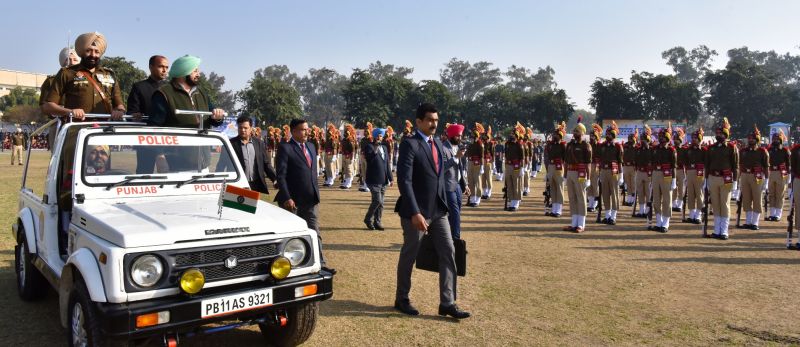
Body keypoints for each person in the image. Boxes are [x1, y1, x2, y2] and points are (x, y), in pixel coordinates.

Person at [394, 103, 469, 319]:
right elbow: (405, 181)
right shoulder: (410, 144)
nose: (433, 124)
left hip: (438, 211)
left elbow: (441, 174)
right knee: (410, 253)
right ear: (419, 122)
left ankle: (448, 302)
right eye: (429, 120)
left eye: (436, 120)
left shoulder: (437, 143)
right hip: (415, 212)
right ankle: (402, 298)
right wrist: (415, 212)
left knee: (448, 251)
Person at [275, 119, 334, 273]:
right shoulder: (285, 148)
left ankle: (320, 263)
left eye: (307, 129)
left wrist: (316, 193)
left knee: (315, 232)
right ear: (293, 131)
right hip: (292, 201)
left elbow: (312, 173)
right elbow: (281, 176)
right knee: (290, 236)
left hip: (310, 199)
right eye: (303, 129)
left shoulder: (311, 146)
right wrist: (287, 197)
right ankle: (290, 267)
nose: (307, 132)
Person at [149, 55, 224, 129]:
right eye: (195, 71)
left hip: (203, 140)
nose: (198, 74)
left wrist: (217, 117)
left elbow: (214, 120)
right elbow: (155, 126)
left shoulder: (201, 92)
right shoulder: (164, 93)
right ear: (183, 72)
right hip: (178, 140)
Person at [217, 116, 276, 194]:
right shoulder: (229, 144)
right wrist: (217, 183)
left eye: (245, 128)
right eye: (240, 128)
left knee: (254, 206)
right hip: (237, 185)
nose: (242, 130)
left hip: (256, 185)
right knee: (236, 206)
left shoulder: (259, 143)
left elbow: (266, 164)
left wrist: (275, 179)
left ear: (251, 128)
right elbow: (221, 165)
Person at [41, 46, 80, 152]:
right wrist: (61, 110)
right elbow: (44, 105)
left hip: (82, 122)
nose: (71, 62)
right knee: (59, 159)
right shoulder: (51, 81)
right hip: (59, 124)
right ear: (62, 62)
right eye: (67, 59)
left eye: (75, 59)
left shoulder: (87, 79)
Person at [705, 117, 739, 240]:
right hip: (713, 177)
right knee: (715, 204)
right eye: (717, 133)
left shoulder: (731, 148)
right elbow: (707, 165)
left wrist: (735, 182)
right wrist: (706, 180)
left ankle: (724, 231)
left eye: (720, 133)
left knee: (724, 204)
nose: (718, 135)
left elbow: (735, 166)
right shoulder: (711, 148)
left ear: (726, 134)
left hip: (726, 178)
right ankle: (716, 230)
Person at [564, 117, 592, 232]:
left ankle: (581, 224)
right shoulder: (569, 145)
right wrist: (565, 176)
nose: (575, 133)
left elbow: (588, 164)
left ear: (582, 133)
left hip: (580, 173)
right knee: (572, 198)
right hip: (570, 172)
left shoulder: (586, 146)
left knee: (580, 198)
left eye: (577, 131)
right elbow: (566, 162)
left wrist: (588, 178)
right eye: (574, 131)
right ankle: (574, 222)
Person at [738, 126, 769, 230]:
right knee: (746, 199)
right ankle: (748, 221)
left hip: (757, 176)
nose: (750, 140)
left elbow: (766, 166)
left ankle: (755, 222)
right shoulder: (743, 151)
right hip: (745, 175)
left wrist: (767, 181)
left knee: (757, 199)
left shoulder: (762, 151)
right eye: (749, 138)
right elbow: (740, 165)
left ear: (757, 140)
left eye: (753, 138)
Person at [363, 127, 393, 230]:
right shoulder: (369, 147)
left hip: (383, 180)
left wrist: (391, 178)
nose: (381, 137)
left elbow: (387, 164)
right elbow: (370, 159)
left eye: (382, 135)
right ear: (375, 136)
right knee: (377, 201)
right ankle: (368, 219)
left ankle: (377, 222)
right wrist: (375, 148)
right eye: (379, 135)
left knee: (381, 203)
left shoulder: (384, 147)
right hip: (373, 179)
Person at [649, 125, 677, 233]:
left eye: (663, 136)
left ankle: (666, 223)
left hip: (667, 175)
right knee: (656, 199)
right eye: (660, 136)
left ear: (668, 138)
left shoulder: (671, 150)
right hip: (656, 174)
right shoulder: (654, 149)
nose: (661, 138)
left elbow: (674, 166)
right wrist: (651, 178)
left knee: (667, 200)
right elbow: (651, 164)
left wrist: (674, 180)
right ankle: (658, 222)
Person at [443, 123, 468, 236]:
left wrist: (465, 184)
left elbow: (460, 169)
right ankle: (456, 240)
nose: (460, 138)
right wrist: (456, 157)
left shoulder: (458, 147)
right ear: (452, 135)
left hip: (458, 186)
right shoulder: (443, 148)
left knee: (456, 213)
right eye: (458, 135)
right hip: (448, 185)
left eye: (461, 135)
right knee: (454, 213)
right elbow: (441, 168)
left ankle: (449, 237)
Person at [128, 55, 169, 120]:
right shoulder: (139, 87)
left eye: (167, 67)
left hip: (168, 128)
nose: (164, 70)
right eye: (161, 66)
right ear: (151, 67)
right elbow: (132, 112)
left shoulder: (170, 87)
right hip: (146, 128)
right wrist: (135, 115)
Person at [599, 121, 623, 225]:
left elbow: (620, 162)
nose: (607, 135)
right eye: (607, 134)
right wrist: (600, 173)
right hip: (604, 171)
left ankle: (613, 216)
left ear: (613, 135)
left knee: (614, 194)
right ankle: (607, 215)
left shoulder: (618, 147)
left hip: (614, 172)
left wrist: (621, 175)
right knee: (605, 194)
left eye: (609, 134)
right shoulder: (602, 145)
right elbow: (600, 160)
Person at [684, 128, 707, 224]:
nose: (693, 140)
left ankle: (698, 215)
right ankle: (691, 214)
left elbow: (706, 163)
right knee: (691, 194)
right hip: (690, 172)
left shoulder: (704, 150)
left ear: (700, 139)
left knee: (699, 194)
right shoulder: (688, 149)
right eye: (692, 138)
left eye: (696, 138)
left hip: (700, 173)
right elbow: (685, 162)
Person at [767, 130, 790, 221]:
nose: (775, 140)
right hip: (771, 172)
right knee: (772, 194)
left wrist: (788, 176)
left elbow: (789, 164)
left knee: (780, 194)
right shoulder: (769, 150)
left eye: (777, 139)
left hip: (781, 173)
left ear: (780, 140)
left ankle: (778, 214)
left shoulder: (785, 150)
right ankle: (772, 213)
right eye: (774, 139)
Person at [545, 123, 567, 217]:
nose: (555, 136)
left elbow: (566, 159)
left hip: (559, 167)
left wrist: (565, 173)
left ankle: (558, 210)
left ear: (561, 136)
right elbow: (546, 157)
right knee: (552, 189)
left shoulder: (563, 145)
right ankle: (554, 209)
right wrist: (547, 171)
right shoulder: (549, 144)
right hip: (551, 166)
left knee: (559, 188)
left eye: (557, 134)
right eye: (554, 134)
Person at [633, 126, 654, 218]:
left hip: (648, 173)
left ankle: (648, 211)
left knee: (648, 192)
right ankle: (641, 211)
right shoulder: (638, 149)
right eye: (641, 139)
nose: (642, 141)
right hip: (639, 172)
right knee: (640, 192)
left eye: (644, 139)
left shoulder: (652, 149)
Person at [505, 125, 525, 212]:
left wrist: (522, 168)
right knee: (509, 184)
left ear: (516, 136)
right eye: (511, 134)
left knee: (516, 184)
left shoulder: (519, 145)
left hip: (516, 166)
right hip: (509, 165)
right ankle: (511, 201)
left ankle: (515, 203)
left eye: (513, 134)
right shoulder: (507, 144)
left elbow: (522, 158)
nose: (511, 135)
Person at [465, 123, 484, 207]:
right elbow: (467, 154)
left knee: (477, 181)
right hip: (470, 162)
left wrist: (482, 166)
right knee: (470, 181)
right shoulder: (470, 144)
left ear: (477, 137)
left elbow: (482, 156)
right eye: (471, 137)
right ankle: (472, 198)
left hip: (477, 163)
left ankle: (478, 198)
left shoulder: (480, 144)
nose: (471, 138)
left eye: (473, 137)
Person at [586, 124, 602, 212]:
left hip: (596, 166)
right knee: (590, 185)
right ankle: (590, 203)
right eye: (591, 136)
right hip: (589, 166)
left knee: (595, 185)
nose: (591, 137)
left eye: (593, 136)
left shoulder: (599, 146)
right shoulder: (588, 145)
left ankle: (595, 204)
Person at [673, 128, 688, 212]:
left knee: (681, 188)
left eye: (678, 139)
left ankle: (680, 204)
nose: (677, 141)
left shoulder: (684, 149)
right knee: (673, 187)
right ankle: (674, 203)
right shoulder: (672, 149)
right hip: (674, 170)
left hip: (681, 170)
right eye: (675, 139)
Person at [622, 132, 638, 206]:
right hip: (626, 166)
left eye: (632, 138)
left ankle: (633, 199)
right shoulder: (625, 146)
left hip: (633, 167)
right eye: (629, 138)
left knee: (633, 183)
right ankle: (629, 199)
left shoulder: (637, 147)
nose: (630, 140)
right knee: (628, 183)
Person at [480, 128, 495, 199]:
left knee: (488, 177)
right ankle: (485, 192)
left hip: (488, 162)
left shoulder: (491, 144)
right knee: (483, 177)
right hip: (482, 162)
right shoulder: (482, 144)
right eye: (484, 138)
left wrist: (493, 163)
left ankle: (489, 192)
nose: (485, 139)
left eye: (486, 138)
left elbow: (493, 154)